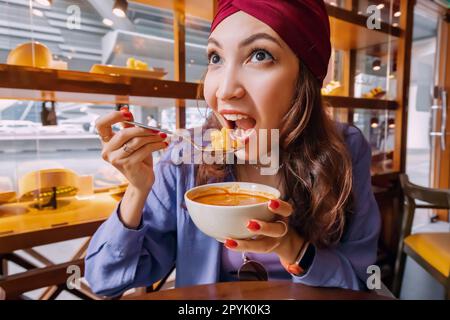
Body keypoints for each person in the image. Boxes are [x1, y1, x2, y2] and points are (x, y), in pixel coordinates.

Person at [86, 0, 381, 297]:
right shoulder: (186, 157)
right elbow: (105, 280)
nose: (225, 90)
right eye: (215, 58)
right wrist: (137, 191)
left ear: (305, 77)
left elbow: (360, 283)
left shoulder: (345, 148)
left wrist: (291, 246)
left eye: (260, 55)